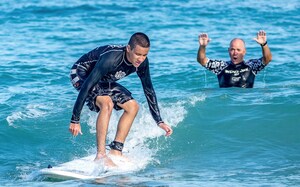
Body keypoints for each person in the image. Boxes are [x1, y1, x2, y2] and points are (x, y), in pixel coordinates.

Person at [68, 32, 173, 166]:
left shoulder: (142, 63)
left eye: (144, 55)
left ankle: (116, 150)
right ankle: (100, 155)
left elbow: (148, 89)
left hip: (103, 79)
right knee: (107, 103)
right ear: (128, 49)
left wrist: (159, 121)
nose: (141, 59)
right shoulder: (111, 58)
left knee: (133, 106)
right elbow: (87, 85)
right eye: (138, 54)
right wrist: (75, 119)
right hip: (82, 73)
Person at [197, 30, 272, 88]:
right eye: (232, 49)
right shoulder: (221, 66)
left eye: (238, 50)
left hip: (246, 101)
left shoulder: (251, 66)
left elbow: (267, 59)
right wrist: (202, 47)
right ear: (228, 51)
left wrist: (263, 44)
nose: (235, 52)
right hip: (226, 103)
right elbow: (202, 60)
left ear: (244, 52)